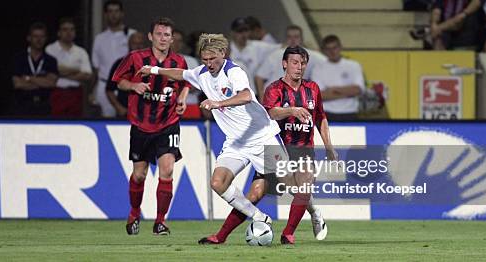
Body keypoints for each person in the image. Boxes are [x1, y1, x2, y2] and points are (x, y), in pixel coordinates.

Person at [136, 33, 284, 243]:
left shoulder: (234, 72)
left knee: (293, 186)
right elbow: (182, 74)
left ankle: (312, 218)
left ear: (223, 53)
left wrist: (217, 103)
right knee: (218, 182)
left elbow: (246, 96)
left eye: (212, 59)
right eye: (204, 59)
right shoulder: (203, 73)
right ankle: (259, 218)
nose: (208, 64)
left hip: (261, 137)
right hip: (236, 142)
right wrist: (154, 70)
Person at [191, 46, 337, 245]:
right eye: (295, 62)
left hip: (303, 148)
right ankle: (221, 236)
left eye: (303, 63)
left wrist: (329, 147)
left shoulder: (313, 89)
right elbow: (270, 113)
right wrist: (291, 111)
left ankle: (288, 234)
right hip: (274, 147)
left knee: (303, 185)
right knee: (255, 194)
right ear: (284, 64)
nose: (299, 67)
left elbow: (321, 118)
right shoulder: (274, 89)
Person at [111, 17, 190, 236]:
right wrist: (134, 85)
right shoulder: (136, 58)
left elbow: (186, 84)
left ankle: (160, 221)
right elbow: (119, 80)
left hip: (168, 123)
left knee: (167, 170)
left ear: (172, 39)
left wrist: (182, 99)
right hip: (141, 124)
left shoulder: (179, 61)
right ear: (150, 36)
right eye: (159, 34)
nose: (163, 38)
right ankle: (134, 213)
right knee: (139, 175)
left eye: (167, 35)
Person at [254, 25, 326, 102]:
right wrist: (261, 97)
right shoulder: (276, 54)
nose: (293, 40)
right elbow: (259, 77)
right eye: (289, 37)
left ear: (301, 39)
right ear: (286, 39)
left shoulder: (312, 55)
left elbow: (327, 62)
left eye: (296, 37)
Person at [91, 0, 137, 118]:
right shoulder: (99, 38)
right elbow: (96, 68)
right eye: (110, 11)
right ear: (105, 14)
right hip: (104, 84)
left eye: (116, 11)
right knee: (106, 120)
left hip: (127, 87)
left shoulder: (132, 35)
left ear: (122, 13)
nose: (113, 14)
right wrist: (92, 90)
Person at [46, 17, 92, 117]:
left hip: (75, 94)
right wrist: (76, 70)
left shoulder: (81, 52)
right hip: (57, 93)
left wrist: (60, 73)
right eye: (65, 29)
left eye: (71, 29)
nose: (68, 32)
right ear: (59, 32)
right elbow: (50, 72)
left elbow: (87, 75)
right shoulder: (50, 49)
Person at [312, 35, 365, 121]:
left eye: (334, 48)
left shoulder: (353, 66)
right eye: (328, 49)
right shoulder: (318, 68)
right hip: (326, 113)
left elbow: (357, 90)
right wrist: (348, 93)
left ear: (340, 47)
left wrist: (333, 89)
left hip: (350, 113)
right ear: (324, 51)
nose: (332, 52)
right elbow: (320, 96)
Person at [11, 22, 58, 116]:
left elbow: (51, 83)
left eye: (42, 36)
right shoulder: (19, 58)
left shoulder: (51, 60)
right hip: (23, 105)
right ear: (29, 38)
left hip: (43, 105)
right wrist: (41, 82)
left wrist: (29, 78)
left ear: (46, 39)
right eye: (35, 36)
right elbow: (18, 84)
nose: (39, 40)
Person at [229, 17, 279, 100]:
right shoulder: (228, 49)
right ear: (233, 33)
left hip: (254, 93)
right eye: (240, 31)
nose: (243, 34)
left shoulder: (256, 46)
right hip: (236, 94)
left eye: (246, 30)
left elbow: (279, 48)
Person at [106, 32, 146, 118]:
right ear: (129, 45)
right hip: (124, 112)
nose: (138, 46)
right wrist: (119, 108)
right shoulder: (120, 63)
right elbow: (109, 90)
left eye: (140, 44)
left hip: (147, 114)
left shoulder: (153, 64)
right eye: (135, 43)